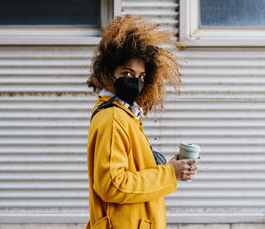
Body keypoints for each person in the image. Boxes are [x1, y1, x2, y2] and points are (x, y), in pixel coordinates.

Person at [85, 15, 199, 229]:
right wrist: (169, 174)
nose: (135, 82)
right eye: (127, 73)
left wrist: (172, 166)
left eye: (141, 77)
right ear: (109, 74)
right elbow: (112, 185)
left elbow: (132, 171)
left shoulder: (126, 115)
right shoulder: (113, 118)